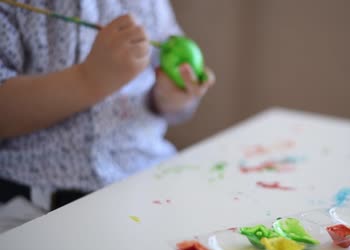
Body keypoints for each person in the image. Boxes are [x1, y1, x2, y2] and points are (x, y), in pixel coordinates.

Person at [0, 0, 215, 211]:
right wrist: (89, 79)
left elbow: (161, 96)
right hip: (33, 200)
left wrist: (169, 99)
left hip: (146, 175)